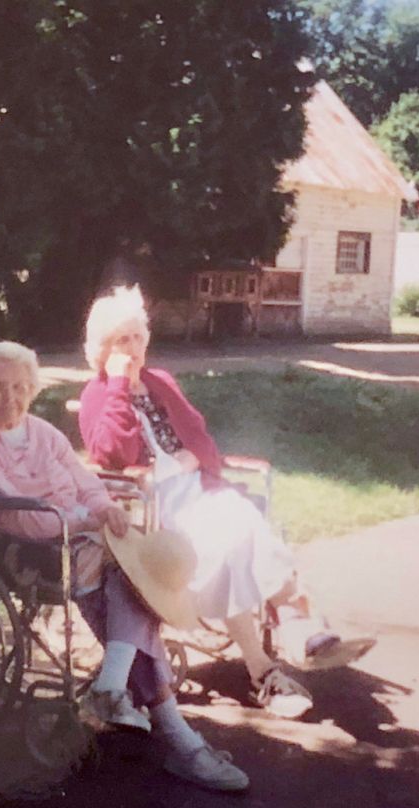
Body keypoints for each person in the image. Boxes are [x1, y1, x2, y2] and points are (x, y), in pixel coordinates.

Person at [0, 340, 250, 793]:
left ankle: (113, 688)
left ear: (32, 389)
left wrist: (105, 509)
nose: (10, 398)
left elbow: (86, 482)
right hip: (9, 545)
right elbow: (21, 517)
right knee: (125, 576)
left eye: (20, 387)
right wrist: (89, 521)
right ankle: (177, 736)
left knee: (134, 571)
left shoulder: (42, 431)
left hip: (72, 535)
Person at [78, 285, 376, 718]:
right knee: (234, 539)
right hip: (153, 506)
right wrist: (120, 385)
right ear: (102, 348)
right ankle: (286, 643)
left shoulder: (162, 382)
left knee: (242, 525)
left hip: (198, 489)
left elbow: (201, 441)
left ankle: (282, 651)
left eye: (138, 337)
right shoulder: (98, 394)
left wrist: (188, 459)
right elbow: (111, 453)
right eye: (122, 340)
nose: (134, 348)